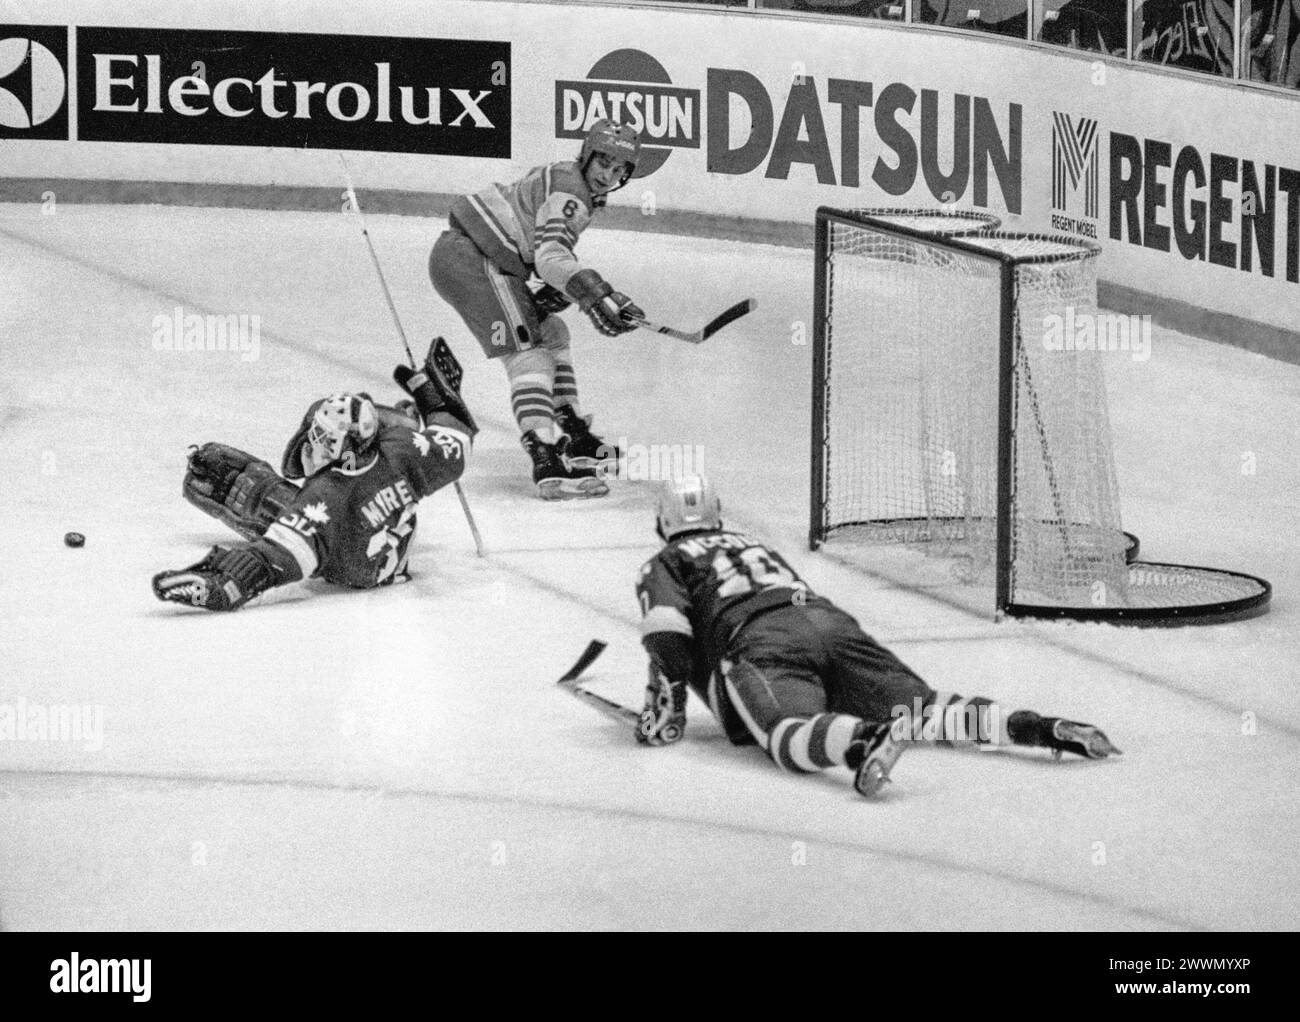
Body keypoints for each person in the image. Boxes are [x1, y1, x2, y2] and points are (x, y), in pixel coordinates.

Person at [634, 476, 1121, 797]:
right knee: (923, 709)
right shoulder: (752, 544)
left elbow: (668, 634)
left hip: (763, 641)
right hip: (829, 623)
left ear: (664, 521)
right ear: (717, 513)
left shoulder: (667, 561)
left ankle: (862, 742)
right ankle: (1036, 727)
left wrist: (668, 702)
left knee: (788, 737)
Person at [152, 338, 476, 611]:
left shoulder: (324, 494)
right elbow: (457, 437)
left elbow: (273, 563)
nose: (312, 442)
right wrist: (433, 399)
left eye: (320, 437)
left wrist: (220, 586)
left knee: (292, 517)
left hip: (348, 566)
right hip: (391, 553)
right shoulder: (405, 449)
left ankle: (280, 513)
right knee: (332, 517)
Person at [429, 118, 645, 500]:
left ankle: (574, 434)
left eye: (618, 170)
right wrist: (594, 292)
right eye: (603, 163)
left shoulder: (567, 177)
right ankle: (545, 454)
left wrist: (566, 288)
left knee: (552, 334)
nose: (607, 176)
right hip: (473, 260)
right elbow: (550, 257)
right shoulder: (572, 194)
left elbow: (533, 241)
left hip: (473, 256)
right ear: (587, 156)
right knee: (527, 353)